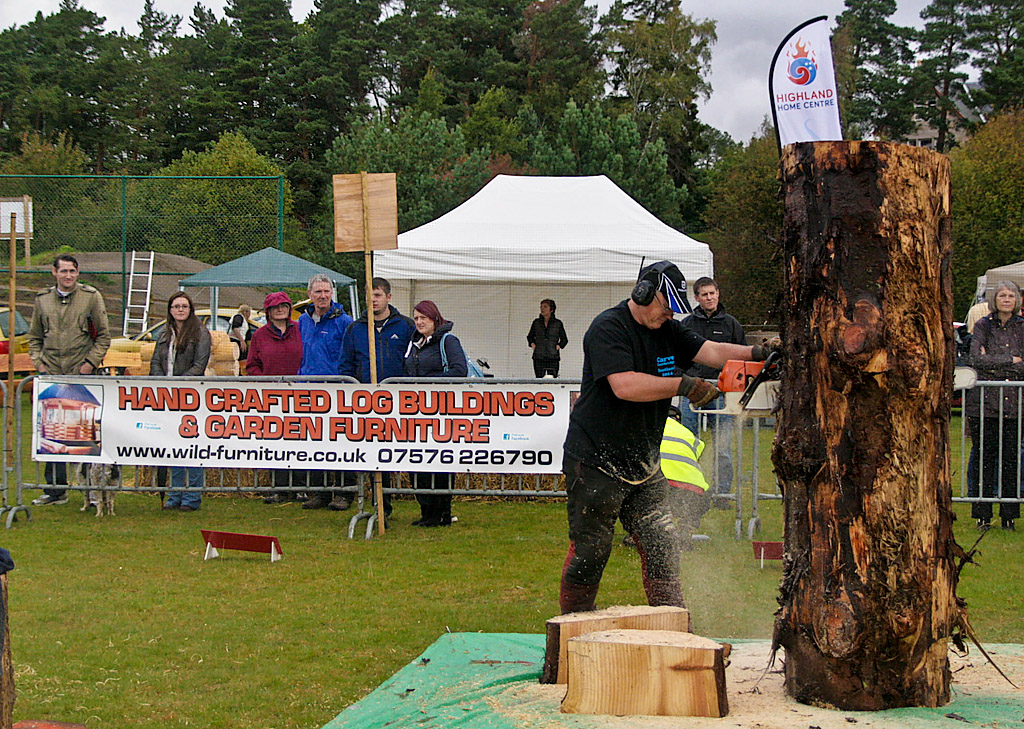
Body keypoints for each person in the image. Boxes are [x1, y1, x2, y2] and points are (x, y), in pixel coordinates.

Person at [559, 260, 776, 614]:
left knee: (663, 545)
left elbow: (714, 352)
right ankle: (568, 633)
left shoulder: (668, 329)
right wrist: (683, 385)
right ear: (643, 293)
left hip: (644, 462)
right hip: (596, 459)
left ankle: (674, 626)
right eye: (665, 306)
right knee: (592, 549)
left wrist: (759, 353)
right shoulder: (608, 328)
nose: (669, 316)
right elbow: (624, 385)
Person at [28, 254, 111, 506]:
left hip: (83, 377)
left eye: (72, 271)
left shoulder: (91, 297)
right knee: (51, 434)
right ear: (54, 273)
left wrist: (89, 364)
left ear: (78, 273)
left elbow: (104, 336)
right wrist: (39, 364)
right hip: (52, 376)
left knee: (86, 435)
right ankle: (55, 490)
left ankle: (92, 491)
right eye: (63, 271)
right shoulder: (42, 301)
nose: (68, 276)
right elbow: (34, 338)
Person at [339, 277, 416, 517]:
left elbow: (414, 360)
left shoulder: (406, 326)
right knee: (375, 454)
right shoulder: (355, 328)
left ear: (388, 297)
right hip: (367, 403)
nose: (373, 300)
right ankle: (380, 505)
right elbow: (346, 365)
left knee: (399, 451)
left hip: (399, 401)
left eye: (378, 295)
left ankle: (422, 502)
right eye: (369, 295)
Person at [680, 277, 747, 502]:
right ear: (697, 297)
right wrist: (684, 383)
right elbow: (677, 356)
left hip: (722, 393)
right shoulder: (687, 324)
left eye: (712, 293)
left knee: (723, 447)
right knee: (689, 443)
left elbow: (741, 356)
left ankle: (722, 493)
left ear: (718, 294)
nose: (709, 298)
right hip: (692, 392)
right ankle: (690, 490)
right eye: (704, 294)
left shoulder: (732, 325)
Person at [403, 300, 468, 527]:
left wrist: (426, 382)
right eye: (417, 318)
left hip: (441, 411)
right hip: (416, 411)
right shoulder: (413, 343)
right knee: (417, 462)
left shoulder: (448, 341)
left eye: (424, 318)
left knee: (439, 462)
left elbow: (460, 370)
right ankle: (426, 511)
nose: (419, 322)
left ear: (434, 319)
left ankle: (442, 512)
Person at [966, 281, 1024, 531]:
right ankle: (983, 513)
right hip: (985, 403)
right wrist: (1010, 360)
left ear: (1017, 300)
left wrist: (994, 364)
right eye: (1002, 295)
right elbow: (976, 359)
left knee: (1011, 459)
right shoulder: (983, 325)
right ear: (994, 299)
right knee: (984, 458)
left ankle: (1009, 515)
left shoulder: (1022, 327)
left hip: (1015, 404)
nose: (1007, 299)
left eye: (1011, 295)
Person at [149, 292, 211, 512]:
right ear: (170, 310)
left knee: (192, 448)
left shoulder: (201, 333)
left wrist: (179, 383)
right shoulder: (164, 333)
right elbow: (156, 360)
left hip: (191, 396)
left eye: (184, 306)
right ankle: (174, 495)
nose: (180, 310)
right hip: (167, 397)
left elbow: (200, 364)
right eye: (176, 306)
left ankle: (192, 497)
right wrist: (160, 382)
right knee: (173, 448)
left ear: (190, 309)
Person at [297, 274, 353, 509]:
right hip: (309, 389)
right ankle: (319, 492)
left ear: (333, 294)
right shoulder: (302, 321)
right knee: (315, 442)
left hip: (336, 391)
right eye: (318, 292)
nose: (322, 296)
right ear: (310, 294)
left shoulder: (344, 321)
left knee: (340, 442)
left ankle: (344, 492)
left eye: (326, 291)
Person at [248, 292, 304, 504]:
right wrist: (265, 381)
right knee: (276, 440)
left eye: (284, 305)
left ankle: (301, 487)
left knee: (299, 440)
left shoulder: (300, 330)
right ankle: (279, 487)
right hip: (271, 396)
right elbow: (252, 365)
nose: (280, 309)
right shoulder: (259, 335)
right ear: (268, 311)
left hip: (299, 394)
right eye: (275, 306)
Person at [527, 299, 568, 378]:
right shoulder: (536, 322)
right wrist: (532, 344)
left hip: (553, 356)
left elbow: (564, 339)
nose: (542, 309)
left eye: (545, 307)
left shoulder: (557, 323)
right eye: (541, 307)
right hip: (539, 356)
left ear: (551, 309)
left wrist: (559, 346)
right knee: (539, 378)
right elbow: (530, 336)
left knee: (552, 378)